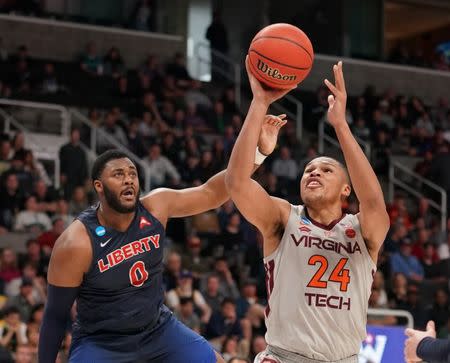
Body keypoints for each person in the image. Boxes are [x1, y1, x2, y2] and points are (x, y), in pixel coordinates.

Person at [38, 114, 286, 362]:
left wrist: (259, 153)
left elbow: (213, 192)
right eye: (118, 175)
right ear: (99, 186)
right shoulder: (76, 242)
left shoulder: (156, 206)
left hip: (157, 329)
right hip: (102, 342)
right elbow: (55, 316)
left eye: (132, 173)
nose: (128, 179)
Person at [225, 60, 389, 362]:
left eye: (326, 170)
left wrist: (340, 125)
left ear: (346, 190)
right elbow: (236, 182)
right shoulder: (283, 217)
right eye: (308, 170)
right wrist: (259, 102)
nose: (313, 173)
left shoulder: (363, 231)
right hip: (284, 356)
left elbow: (375, 203)